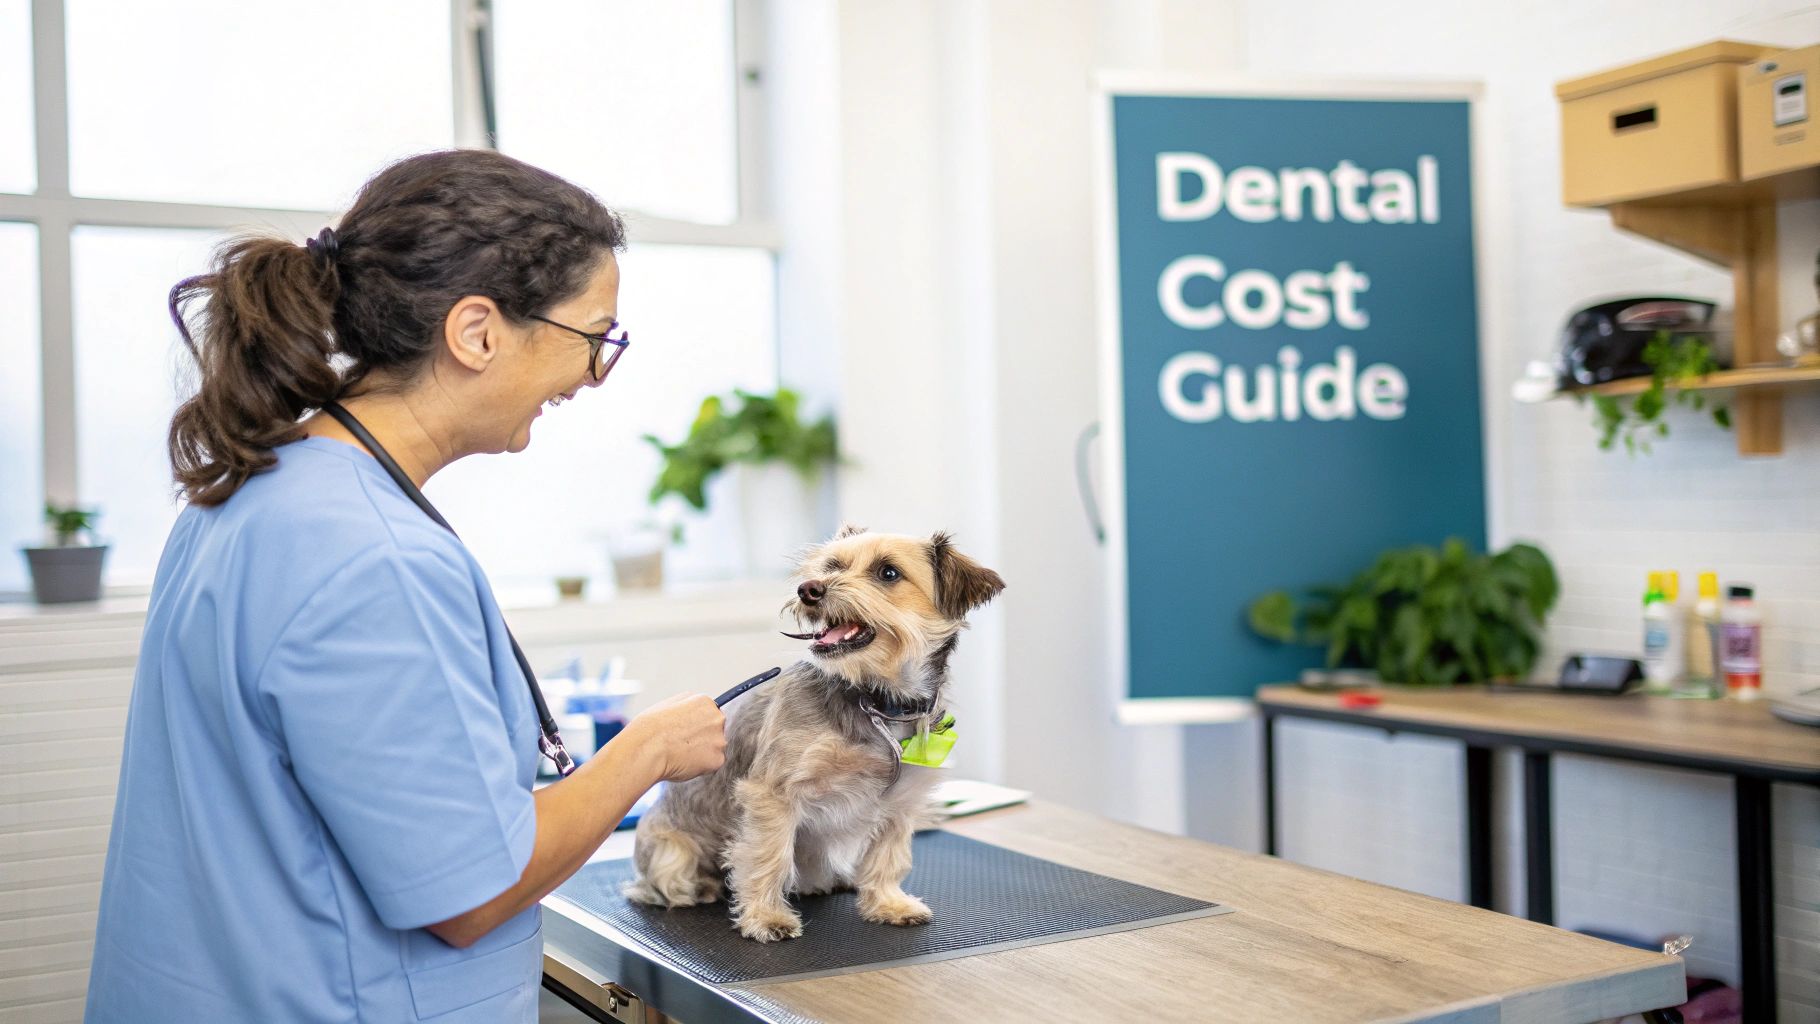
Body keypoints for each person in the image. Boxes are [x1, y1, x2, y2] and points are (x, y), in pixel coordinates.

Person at [84, 150, 727, 1023]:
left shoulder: (253, 493)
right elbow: (468, 894)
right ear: (476, 332)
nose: (588, 376)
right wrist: (646, 751)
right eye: (592, 340)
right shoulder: (374, 558)